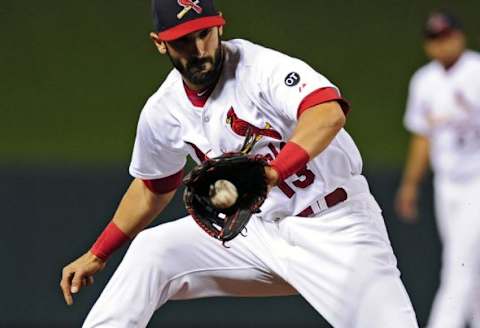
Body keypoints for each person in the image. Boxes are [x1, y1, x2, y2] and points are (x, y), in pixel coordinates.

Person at [61, 0, 419, 327]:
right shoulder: (163, 110)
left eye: (205, 34)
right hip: (257, 233)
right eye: (184, 40)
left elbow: (327, 112)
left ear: (220, 27)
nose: (200, 49)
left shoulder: (259, 68)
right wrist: (98, 252)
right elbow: (152, 187)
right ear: (160, 42)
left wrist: (273, 173)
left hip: (335, 226)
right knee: (154, 251)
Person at [395, 10, 480, 328]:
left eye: (447, 37)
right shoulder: (424, 81)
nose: (442, 45)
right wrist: (410, 184)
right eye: (435, 40)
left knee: (458, 263)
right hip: (447, 183)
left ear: (460, 36)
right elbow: (422, 137)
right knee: (470, 264)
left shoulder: (477, 71)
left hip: (478, 180)